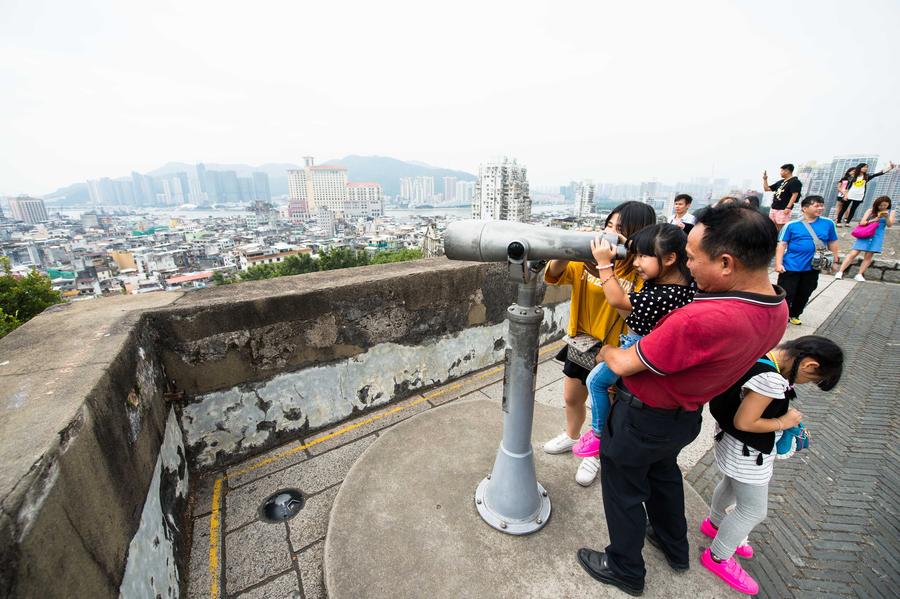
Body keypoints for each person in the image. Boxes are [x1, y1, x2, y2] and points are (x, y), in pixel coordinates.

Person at [576, 205, 788, 597]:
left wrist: (606, 351)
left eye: (692, 258)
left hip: (643, 418)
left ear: (726, 263)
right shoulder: (776, 306)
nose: (688, 267)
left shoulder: (702, 318)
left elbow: (624, 361)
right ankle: (675, 547)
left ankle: (625, 567)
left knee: (623, 491)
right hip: (685, 418)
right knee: (663, 478)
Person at [701, 336, 843, 595]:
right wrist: (784, 422)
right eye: (812, 380)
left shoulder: (760, 351)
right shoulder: (771, 380)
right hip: (747, 452)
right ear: (810, 365)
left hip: (729, 440)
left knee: (731, 484)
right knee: (754, 510)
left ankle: (715, 523)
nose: (807, 384)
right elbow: (746, 422)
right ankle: (719, 556)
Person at [570, 224, 694, 487]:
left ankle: (598, 434)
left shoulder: (666, 294)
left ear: (670, 258)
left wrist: (605, 265)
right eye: (634, 254)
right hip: (643, 342)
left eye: (642, 256)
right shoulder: (684, 285)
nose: (636, 262)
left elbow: (618, 301)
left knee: (595, 381)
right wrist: (632, 243)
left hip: (638, 346)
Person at [541, 201, 657, 463]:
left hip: (615, 350)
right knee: (572, 397)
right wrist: (570, 246)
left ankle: (595, 454)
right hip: (582, 341)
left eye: (621, 229)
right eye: (609, 226)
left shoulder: (642, 272)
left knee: (605, 407)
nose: (611, 234)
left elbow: (635, 314)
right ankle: (571, 435)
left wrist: (612, 267)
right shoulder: (586, 261)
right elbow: (554, 274)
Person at [774, 195, 839, 325]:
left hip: (813, 266)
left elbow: (833, 241)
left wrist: (834, 261)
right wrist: (778, 263)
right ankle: (782, 316)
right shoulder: (791, 225)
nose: (820, 208)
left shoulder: (828, 223)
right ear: (805, 208)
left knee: (805, 292)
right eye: (816, 205)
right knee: (787, 292)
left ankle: (795, 314)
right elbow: (781, 244)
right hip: (791, 265)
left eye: (821, 205)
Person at [835, 195, 895, 281]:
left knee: (868, 256)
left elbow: (889, 225)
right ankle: (840, 272)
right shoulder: (870, 211)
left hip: (877, 236)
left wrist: (886, 217)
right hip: (866, 233)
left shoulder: (891, 212)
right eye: (880, 205)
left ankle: (859, 274)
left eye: (885, 205)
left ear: (888, 204)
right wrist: (875, 219)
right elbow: (862, 222)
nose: (882, 207)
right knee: (853, 253)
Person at [838, 162, 896, 226]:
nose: (866, 168)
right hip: (850, 195)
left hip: (859, 196)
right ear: (859, 168)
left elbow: (878, 174)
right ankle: (838, 221)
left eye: (866, 167)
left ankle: (847, 222)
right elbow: (847, 186)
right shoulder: (853, 176)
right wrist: (845, 195)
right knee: (844, 208)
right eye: (864, 167)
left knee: (853, 209)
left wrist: (889, 168)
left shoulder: (866, 177)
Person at [763, 164, 802, 232]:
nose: (780, 172)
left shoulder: (794, 181)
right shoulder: (781, 182)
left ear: (787, 171)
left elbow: (795, 194)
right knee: (771, 226)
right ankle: (773, 241)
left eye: (782, 171)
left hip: (783, 208)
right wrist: (765, 179)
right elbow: (767, 189)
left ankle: (779, 241)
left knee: (781, 228)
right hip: (774, 207)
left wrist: (788, 207)